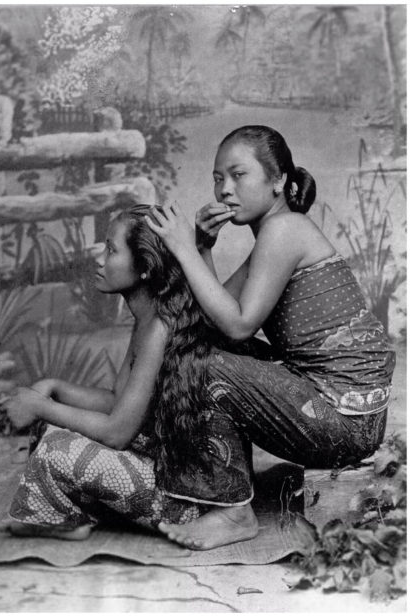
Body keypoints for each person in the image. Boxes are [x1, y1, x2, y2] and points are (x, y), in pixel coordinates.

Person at [146, 125, 394, 549]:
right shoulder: (275, 234)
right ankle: (218, 481)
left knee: (203, 365)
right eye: (217, 178)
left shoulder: (285, 231)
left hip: (346, 422)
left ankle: (235, 513)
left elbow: (239, 324)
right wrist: (204, 244)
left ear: (278, 180)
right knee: (200, 345)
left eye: (238, 175)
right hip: (338, 409)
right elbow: (214, 314)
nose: (225, 189)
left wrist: (183, 248)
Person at [0, 204, 219, 541]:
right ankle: (61, 518)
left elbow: (117, 432)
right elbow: (118, 400)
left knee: (57, 444)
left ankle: (63, 520)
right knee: (52, 420)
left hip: (181, 498)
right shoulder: (147, 318)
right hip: (148, 465)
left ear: (145, 267)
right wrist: (55, 387)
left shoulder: (159, 329)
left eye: (111, 250)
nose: (99, 259)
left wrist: (41, 406)